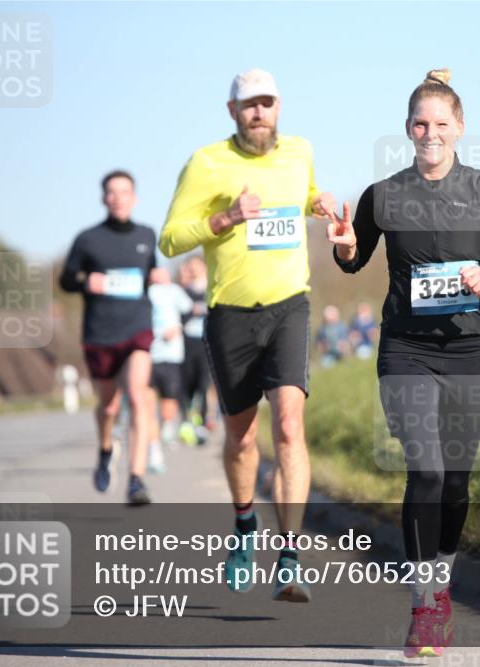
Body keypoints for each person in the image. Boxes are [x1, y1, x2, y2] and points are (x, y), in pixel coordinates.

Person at [326, 69, 480, 657]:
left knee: (455, 481)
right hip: (405, 351)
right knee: (425, 471)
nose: (431, 133)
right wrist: (345, 245)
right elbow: (354, 260)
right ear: (408, 128)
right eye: (420, 124)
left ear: (459, 128)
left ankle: (442, 582)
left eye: (441, 123)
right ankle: (423, 604)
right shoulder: (383, 195)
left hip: (469, 352)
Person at [158, 68, 336, 602]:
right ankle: (243, 527)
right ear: (232, 111)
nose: (259, 112)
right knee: (240, 437)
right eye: (249, 104)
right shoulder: (207, 162)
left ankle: (290, 558)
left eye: (267, 102)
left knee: (289, 427)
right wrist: (225, 219)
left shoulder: (300, 151)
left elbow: (302, 194)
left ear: (279, 107)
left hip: (289, 307)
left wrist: (318, 203)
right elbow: (170, 239)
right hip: (230, 315)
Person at [59, 170, 158, 506]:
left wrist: (156, 277)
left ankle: (136, 479)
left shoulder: (147, 235)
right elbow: (66, 280)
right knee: (109, 406)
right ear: (104, 198)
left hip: (137, 328)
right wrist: (86, 282)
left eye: (124, 192)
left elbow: (148, 274)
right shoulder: (88, 239)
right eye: (111, 192)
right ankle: (105, 450)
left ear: (135, 198)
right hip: (101, 333)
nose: (118, 198)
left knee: (137, 397)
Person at [146, 267, 194, 472]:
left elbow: (189, 310)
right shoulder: (145, 292)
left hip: (171, 355)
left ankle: (167, 426)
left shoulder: (175, 291)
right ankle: (154, 452)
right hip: (147, 354)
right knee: (147, 407)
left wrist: (178, 328)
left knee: (169, 402)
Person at [177, 255, 214, 445]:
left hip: (206, 342)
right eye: (189, 267)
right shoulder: (182, 291)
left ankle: (202, 422)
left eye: (196, 266)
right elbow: (179, 315)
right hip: (186, 343)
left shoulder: (212, 289)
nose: (192, 270)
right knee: (186, 384)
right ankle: (186, 421)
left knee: (203, 382)